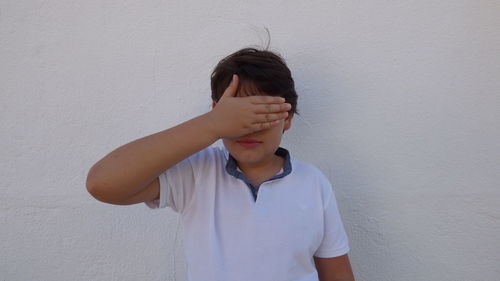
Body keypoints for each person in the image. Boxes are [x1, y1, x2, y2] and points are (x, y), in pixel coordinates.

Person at [86, 47, 355, 281]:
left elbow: (338, 274)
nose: (248, 128)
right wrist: (211, 124)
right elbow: (103, 183)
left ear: (287, 118)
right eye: (237, 115)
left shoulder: (313, 182)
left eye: (262, 114)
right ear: (218, 112)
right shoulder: (196, 173)